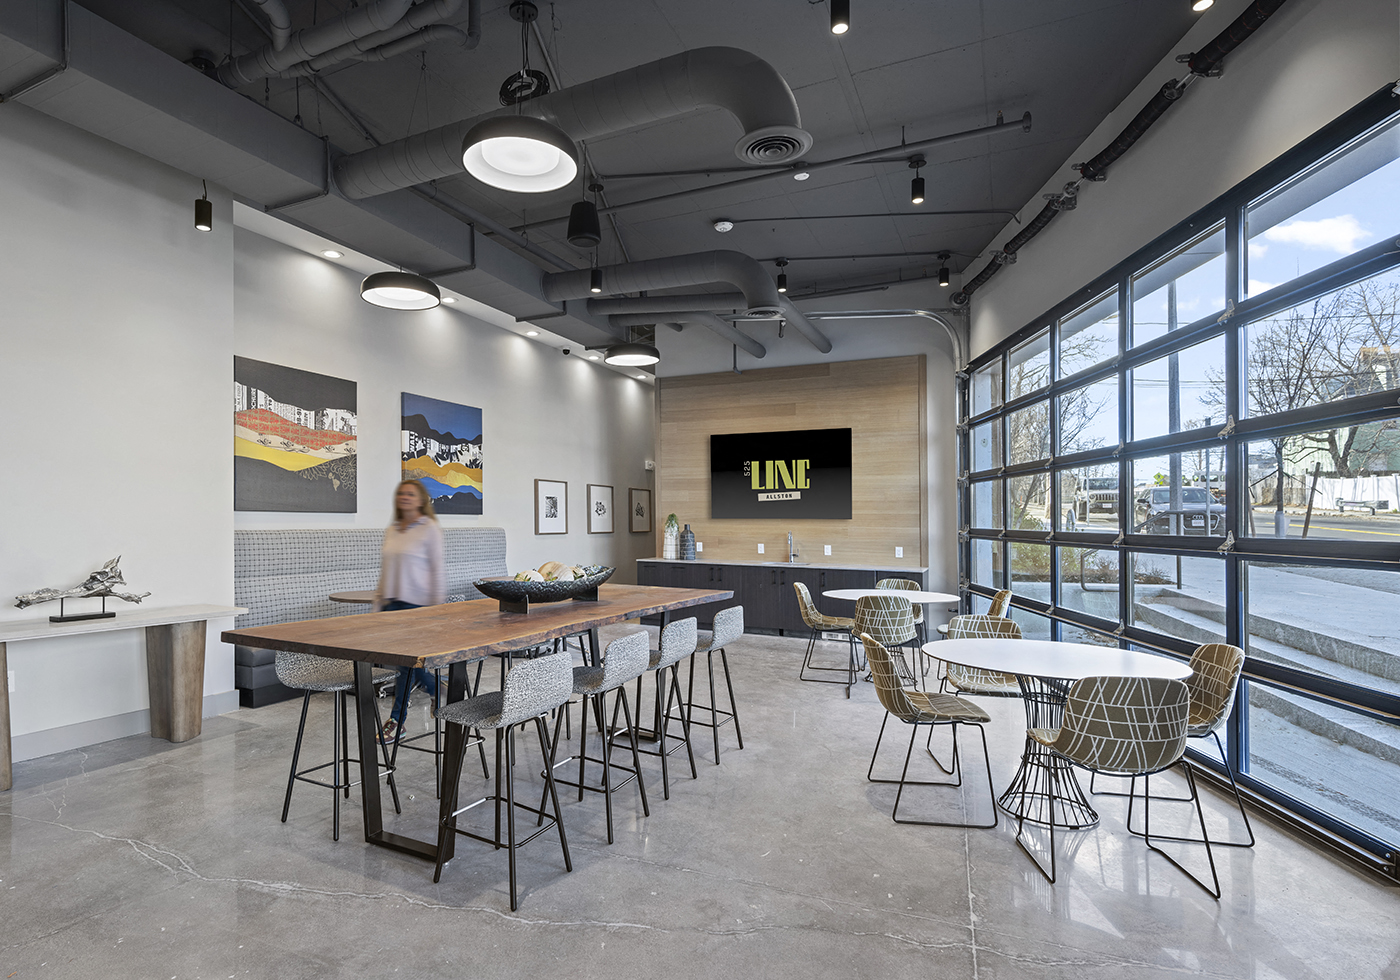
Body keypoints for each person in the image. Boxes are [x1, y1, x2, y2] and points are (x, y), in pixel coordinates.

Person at [374, 479, 446, 743]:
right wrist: (378, 604)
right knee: (409, 666)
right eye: (401, 493)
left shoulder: (429, 529)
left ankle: (396, 721)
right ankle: (440, 689)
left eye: (410, 494)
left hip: (419, 608)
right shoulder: (393, 529)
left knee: (406, 667)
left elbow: (437, 570)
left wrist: (437, 611)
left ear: (420, 500)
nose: (405, 497)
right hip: (393, 606)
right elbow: (386, 570)